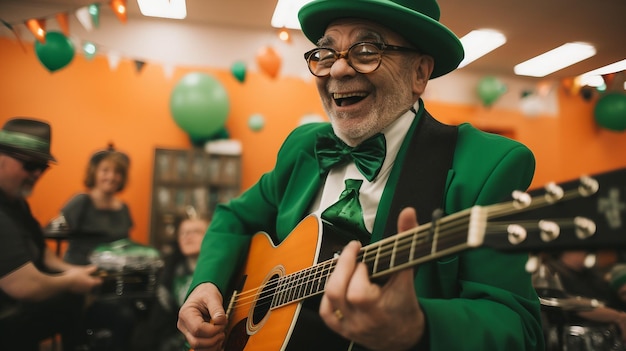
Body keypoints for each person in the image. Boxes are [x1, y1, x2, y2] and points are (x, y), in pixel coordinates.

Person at [177, 0, 545, 350]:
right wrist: (206, 283)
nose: (337, 69)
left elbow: (520, 328)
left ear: (419, 73)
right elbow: (234, 217)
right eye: (324, 53)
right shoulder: (303, 146)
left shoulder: (488, 165)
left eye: (367, 50)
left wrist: (418, 327)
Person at [0, 117, 102, 351]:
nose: (37, 174)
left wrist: (73, 270)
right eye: (30, 165)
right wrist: (71, 281)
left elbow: (42, 251)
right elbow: (25, 286)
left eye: (42, 167)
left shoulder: (16, 203)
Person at [132, 211, 209, 351]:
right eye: (183, 233)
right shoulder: (169, 273)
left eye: (196, 231)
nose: (188, 237)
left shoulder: (219, 271)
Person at [60, 143, 133, 265]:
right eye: (105, 170)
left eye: (117, 172)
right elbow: (56, 235)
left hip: (112, 276)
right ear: (94, 172)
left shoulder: (124, 208)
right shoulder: (80, 202)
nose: (111, 177)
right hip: (79, 274)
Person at [543, 251, 626, 349]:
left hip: (607, 333)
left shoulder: (590, 273)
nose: (585, 253)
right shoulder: (553, 271)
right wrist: (618, 317)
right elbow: (565, 303)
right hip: (575, 336)